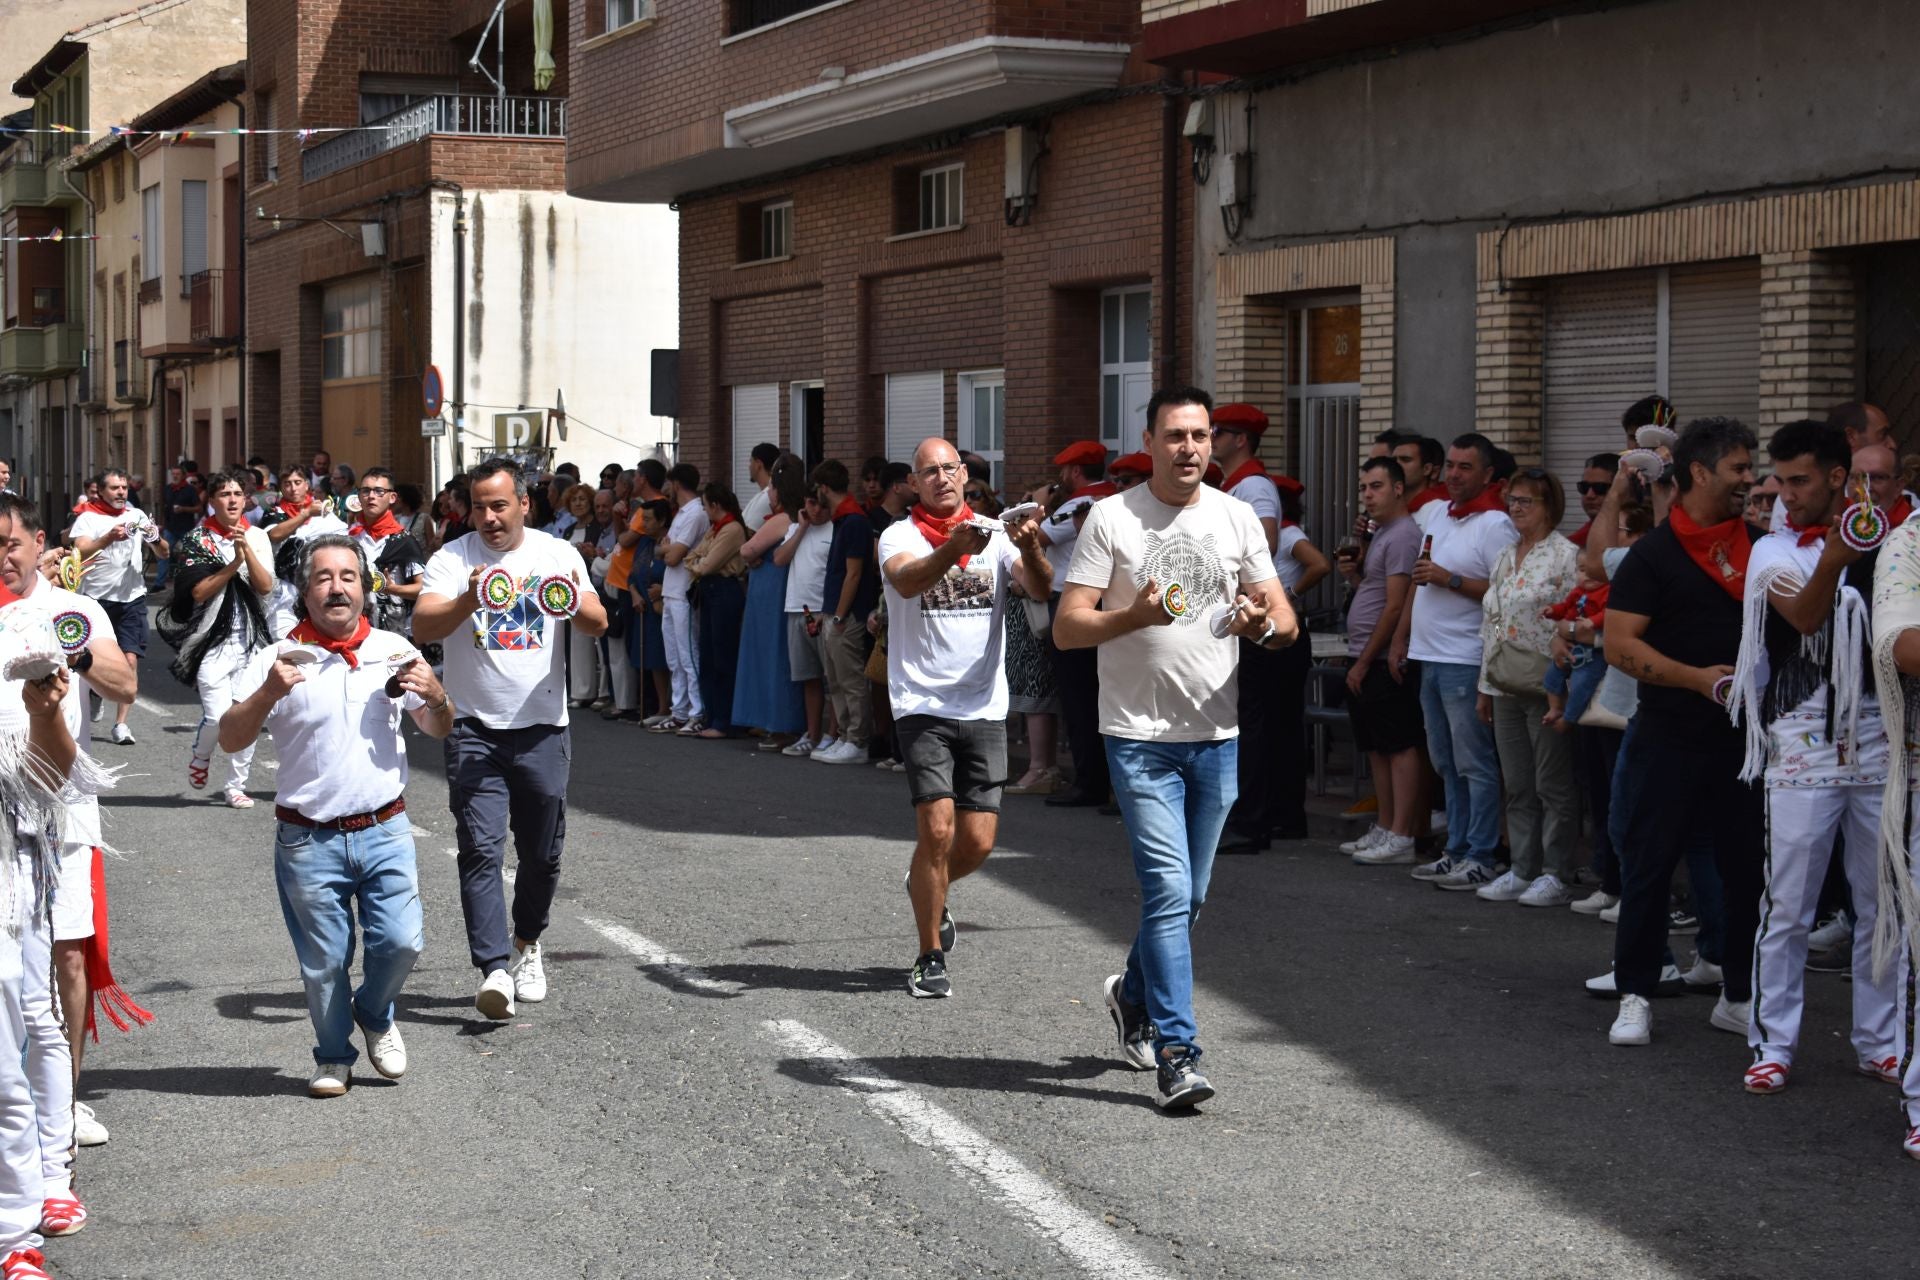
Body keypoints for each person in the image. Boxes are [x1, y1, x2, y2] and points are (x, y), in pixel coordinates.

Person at [1057, 386, 1297, 1109]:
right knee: (1166, 891)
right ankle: (1178, 1053)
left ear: (1212, 443)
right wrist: (1133, 613)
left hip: (1214, 739)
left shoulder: (1236, 518)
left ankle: (1131, 995)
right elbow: (1069, 628)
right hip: (1137, 739)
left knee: (1189, 898)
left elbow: (1281, 618)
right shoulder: (1112, 517)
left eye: (1200, 435)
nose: (1189, 447)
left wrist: (1262, 624)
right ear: (1151, 440)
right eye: (1175, 435)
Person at [221, 535, 453, 1096]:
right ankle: (332, 1055)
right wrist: (266, 694)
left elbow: (438, 727)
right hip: (308, 838)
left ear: (366, 587)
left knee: (403, 942)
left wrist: (438, 696)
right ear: (306, 590)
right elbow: (230, 737)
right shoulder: (275, 657)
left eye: (348, 576)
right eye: (323, 577)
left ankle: (374, 1011)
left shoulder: (395, 650)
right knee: (324, 962)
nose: (336, 587)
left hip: (384, 828)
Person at [1724, 419, 1894, 1092]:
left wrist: (1867, 548)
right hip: (1801, 742)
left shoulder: (1898, 542)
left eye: (1798, 481)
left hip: (1885, 740)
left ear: (1835, 478)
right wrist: (1835, 556)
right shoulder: (1772, 551)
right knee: (1789, 903)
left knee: (1883, 903)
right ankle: (1773, 1043)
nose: (1783, 496)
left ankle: (1881, 1041)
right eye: (1778, 482)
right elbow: (1803, 621)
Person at [414, 458, 606, 1020]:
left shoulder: (557, 554)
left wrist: (572, 601)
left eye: (500, 505)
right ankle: (494, 968)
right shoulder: (454, 557)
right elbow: (424, 625)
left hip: (544, 728)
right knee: (479, 848)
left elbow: (597, 622)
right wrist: (467, 601)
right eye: (479, 506)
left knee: (542, 856)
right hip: (472, 727)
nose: (489, 517)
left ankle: (527, 942)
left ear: (526, 503)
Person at [1603, 416, 1765, 1047]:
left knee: (1744, 871)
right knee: (1648, 866)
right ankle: (1636, 992)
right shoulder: (1654, 554)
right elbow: (1619, 645)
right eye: (1739, 469)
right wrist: (1698, 679)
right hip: (1667, 736)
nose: (1749, 481)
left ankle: (1738, 992)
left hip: (1743, 742)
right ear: (1699, 472)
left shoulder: (1762, 545)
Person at [881, 439, 1052, 997]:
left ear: (964, 474)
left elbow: (1040, 588)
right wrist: (952, 548)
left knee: (975, 843)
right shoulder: (899, 536)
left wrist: (1028, 548)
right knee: (936, 829)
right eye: (928, 472)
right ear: (913, 482)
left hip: (984, 705)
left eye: (949, 468)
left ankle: (925, 886)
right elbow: (907, 581)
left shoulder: (993, 532)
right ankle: (929, 955)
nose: (940, 479)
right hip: (921, 704)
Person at [0, 497, 140, 1161]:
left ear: (36, 544)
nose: (3, 555)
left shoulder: (75, 611)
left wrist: (71, 649)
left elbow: (125, 687)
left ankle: (66, 1097)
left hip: (60, 806)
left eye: (10, 541)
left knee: (69, 954)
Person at [0, 563, 103, 1280]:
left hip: (15, 868)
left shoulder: (29, 633)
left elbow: (54, 772)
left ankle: (24, 1221)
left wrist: (43, 712)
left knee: (22, 1039)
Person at [1389, 434, 1519, 890]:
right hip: (1429, 652)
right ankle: (1457, 848)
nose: (1455, 474)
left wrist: (1452, 579)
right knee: (1445, 761)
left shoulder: (1496, 524)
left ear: (1487, 475)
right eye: (1452, 465)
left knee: (1474, 763)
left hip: (1465, 657)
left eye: (1466, 467)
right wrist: (1401, 636)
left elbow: (1505, 594)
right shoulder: (1440, 514)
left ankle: (1482, 853)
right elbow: (1420, 581)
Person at [1473, 467, 1580, 907]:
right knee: (1516, 782)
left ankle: (1556, 871)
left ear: (1549, 506)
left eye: (1526, 501)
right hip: (1504, 681)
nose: (1516, 508)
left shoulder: (1565, 556)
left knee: (1551, 783)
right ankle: (1522, 867)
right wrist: (1484, 686)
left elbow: (1576, 620)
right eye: (1512, 500)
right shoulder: (1503, 555)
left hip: (1546, 683)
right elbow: (1490, 625)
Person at [159, 469, 277, 808]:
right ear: (211, 502)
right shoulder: (198, 540)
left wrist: (246, 552)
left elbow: (265, 586)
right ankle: (201, 754)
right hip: (211, 641)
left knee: (247, 716)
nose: (232, 500)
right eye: (224, 494)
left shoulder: (257, 537)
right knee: (217, 717)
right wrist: (232, 564)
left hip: (252, 641)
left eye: (237, 494)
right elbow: (197, 592)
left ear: (245, 500)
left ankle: (235, 786)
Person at [1340, 458, 1424, 866]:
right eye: (1364, 488)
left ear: (1397, 489)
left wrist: (1365, 660)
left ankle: (1403, 832)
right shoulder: (1383, 535)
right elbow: (1373, 593)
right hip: (1361, 654)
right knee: (1375, 746)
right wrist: (1355, 576)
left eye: (1376, 486)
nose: (1368, 495)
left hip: (1379, 659)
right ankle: (1386, 824)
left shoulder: (1405, 535)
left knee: (1398, 744)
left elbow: (1394, 607)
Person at [1039, 441, 1116, 808]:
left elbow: (1036, 538)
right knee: (1100, 696)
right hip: (1106, 606)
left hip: (1071, 603)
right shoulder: (1116, 498)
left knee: (1079, 698)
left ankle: (1090, 782)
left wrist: (1039, 504)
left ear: (1073, 472)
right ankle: (1103, 780)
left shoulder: (1076, 505)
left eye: (1063, 471)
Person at [66, 469, 147, 747]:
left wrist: (158, 540)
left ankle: (121, 724)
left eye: (124, 487)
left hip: (132, 598)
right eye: (114, 488)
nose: (121, 492)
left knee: (129, 659)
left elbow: (162, 551)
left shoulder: (137, 515)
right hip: (96, 601)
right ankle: (96, 692)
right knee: (92, 659)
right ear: (100, 491)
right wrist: (108, 538)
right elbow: (81, 551)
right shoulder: (88, 517)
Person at [733, 457, 807, 747]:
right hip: (777, 588)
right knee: (779, 656)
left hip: (769, 593)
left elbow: (747, 550)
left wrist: (751, 555)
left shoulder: (782, 519)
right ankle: (778, 723)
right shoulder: (796, 517)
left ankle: (778, 724)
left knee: (771, 656)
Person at [811, 460, 878, 765]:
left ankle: (857, 740)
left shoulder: (852, 521)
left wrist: (837, 615)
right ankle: (846, 736)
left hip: (847, 616)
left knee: (849, 680)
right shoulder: (846, 519)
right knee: (836, 679)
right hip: (837, 613)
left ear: (824, 488)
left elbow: (853, 574)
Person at [1005, 485, 1064, 795]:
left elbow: (1032, 549)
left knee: (1037, 691)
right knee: (1030, 692)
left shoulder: (1067, 515)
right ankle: (1039, 767)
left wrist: (1036, 508)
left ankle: (1041, 768)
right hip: (1024, 621)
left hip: (1039, 618)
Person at [682, 484, 749, 739]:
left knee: (723, 657)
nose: (704, 510)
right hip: (710, 593)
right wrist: (697, 562)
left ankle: (724, 719)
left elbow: (706, 564)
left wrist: (697, 563)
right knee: (707, 656)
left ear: (715, 505)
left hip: (724, 591)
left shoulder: (732, 529)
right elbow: (694, 557)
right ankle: (712, 715)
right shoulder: (715, 529)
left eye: (706, 504)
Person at [646, 465, 709, 734]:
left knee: (688, 654)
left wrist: (666, 548)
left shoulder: (696, 513)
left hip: (684, 590)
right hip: (671, 591)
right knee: (674, 656)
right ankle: (680, 711)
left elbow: (671, 554)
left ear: (676, 484)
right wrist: (666, 548)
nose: (666, 490)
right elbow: (665, 548)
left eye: (669, 484)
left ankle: (697, 711)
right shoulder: (682, 513)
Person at [772, 485, 834, 756]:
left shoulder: (835, 529)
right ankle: (812, 733)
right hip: (797, 608)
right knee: (808, 677)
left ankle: (832, 735)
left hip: (823, 611)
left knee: (833, 679)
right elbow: (779, 559)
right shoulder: (797, 529)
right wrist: (801, 529)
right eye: (811, 503)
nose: (816, 510)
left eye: (821, 504)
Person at [260, 465, 347, 637]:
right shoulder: (274, 513)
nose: (293, 488)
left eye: (297, 482)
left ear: (307, 485)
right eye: (287, 483)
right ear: (281, 488)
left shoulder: (325, 514)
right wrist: (305, 514)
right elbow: (274, 535)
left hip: (319, 587)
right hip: (284, 591)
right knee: (283, 639)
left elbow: (343, 544)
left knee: (320, 637)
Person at [348, 468, 426, 641]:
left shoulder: (403, 540)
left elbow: (423, 587)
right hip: (354, 628)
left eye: (379, 491)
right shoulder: (350, 537)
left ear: (392, 498)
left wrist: (392, 589)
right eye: (366, 491)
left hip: (393, 632)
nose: (371, 496)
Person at [157, 465, 198, 591]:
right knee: (163, 553)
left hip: (186, 527)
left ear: (183, 475)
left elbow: (198, 508)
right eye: (173, 474)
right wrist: (162, 524)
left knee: (190, 555)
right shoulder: (168, 489)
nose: (175, 476)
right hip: (171, 527)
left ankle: (191, 581)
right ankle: (159, 583)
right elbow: (164, 508)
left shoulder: (190, 490)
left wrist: (184, 509)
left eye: (177, 474)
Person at [1570, 453, 1620, 547]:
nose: (1590, 495)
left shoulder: (1638, 537)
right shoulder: (1573, 544)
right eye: (1584, 487)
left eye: (1599, 488)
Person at [741, 443, 780, 533]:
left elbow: (748, 532)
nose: (749, 466)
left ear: (758, 464)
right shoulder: (764, 494)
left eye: (751, 461)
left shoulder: (768, 496)